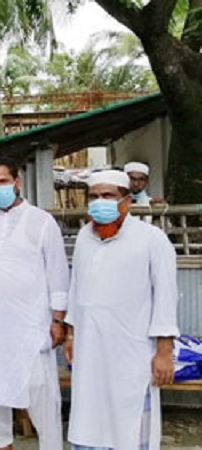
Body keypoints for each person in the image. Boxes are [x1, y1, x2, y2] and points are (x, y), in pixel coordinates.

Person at [64, 169, 178, 450]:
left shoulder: (152, 239)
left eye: (107, 195)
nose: (99, 201)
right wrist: (70, 334)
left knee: (130, 426)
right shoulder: (83, 238)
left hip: (132, 353)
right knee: (88, 422)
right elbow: (76, 290)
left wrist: (164, 352)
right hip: (90, 351)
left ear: (126, 200)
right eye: (93, 196)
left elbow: (166, 297)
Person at [0, 156, 69, 450]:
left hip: (30, 326)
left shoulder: (41, 221)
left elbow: (58, 276)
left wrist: (58, 321)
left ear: (17, 182)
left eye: (3, 182)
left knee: (40, 393)